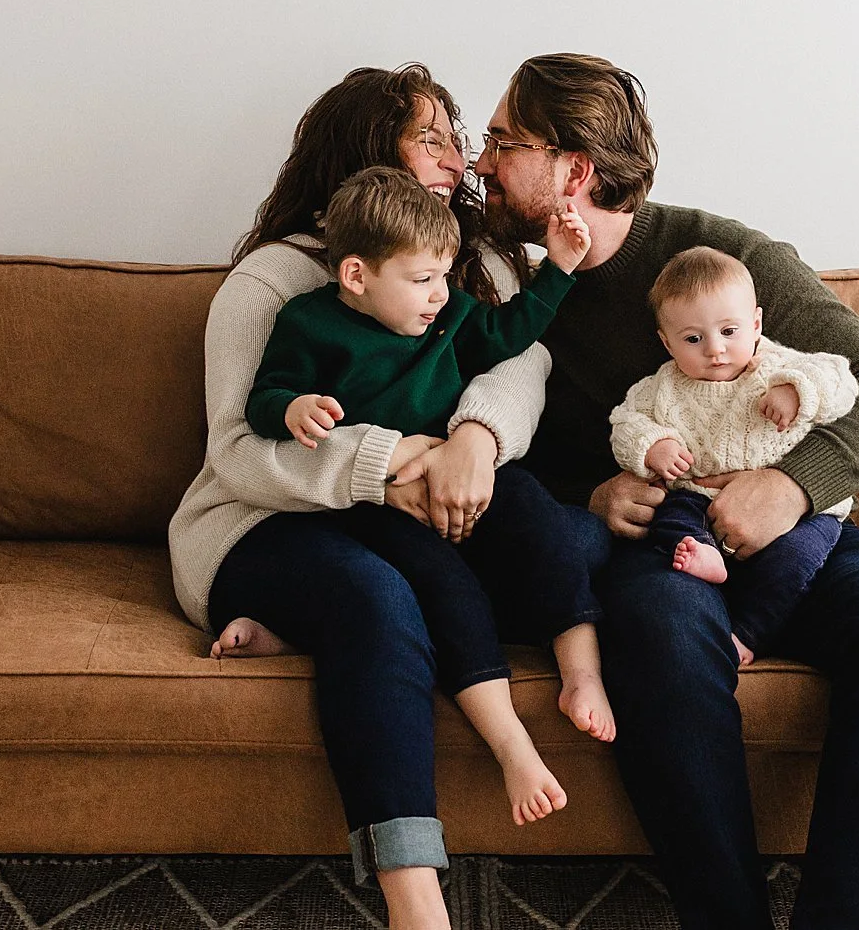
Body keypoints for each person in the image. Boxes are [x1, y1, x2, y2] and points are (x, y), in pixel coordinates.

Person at [471, 53, 859, 930]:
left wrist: (790, 485)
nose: (481, 162)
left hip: (800, 535)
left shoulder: (726, 260)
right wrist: (590, 495)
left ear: (574, 171)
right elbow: (493, 443)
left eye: (503, 141)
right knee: (660, 635)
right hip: (663, 546)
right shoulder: (506, 286)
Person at [168, 64, 596, 930]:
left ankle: (295, 632)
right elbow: (240, 450)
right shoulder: (275, 283)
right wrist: (394, 460)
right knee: (376, 596)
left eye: (456, 134)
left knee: (563, 538)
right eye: (430, 136)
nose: (460, 156)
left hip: (412, 512)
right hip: (261, 523)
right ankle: (415, 900)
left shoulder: (464, 264)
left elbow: (522, 359)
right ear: (370, 150)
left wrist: (473, 440)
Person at [221, 165, 611, 827]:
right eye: (421, 279)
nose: (439, 295)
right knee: (441, 585)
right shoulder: (307, 323)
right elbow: (260, 403)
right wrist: (294, 409)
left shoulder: (451, 313)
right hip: (378, 502)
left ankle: (583, 670)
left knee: (544, 523)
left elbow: (511, 334)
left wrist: (561, 268)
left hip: (453, 472)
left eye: (445, 275)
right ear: (355, 277)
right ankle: (510, 742)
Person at [608, 245, 858, 665]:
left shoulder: (778, 365)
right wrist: (653, 446)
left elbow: (841, 379)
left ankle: (748, 634)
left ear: (755, 324)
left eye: (729, 331)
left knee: (796, 561)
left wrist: (797, 391)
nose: (714, 350)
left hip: (795, 513)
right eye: (693, 338)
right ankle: (703, 555)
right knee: (668, 523)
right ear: (666, 343)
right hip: (696, 500)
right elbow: (625, 422)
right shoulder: (661, 387)